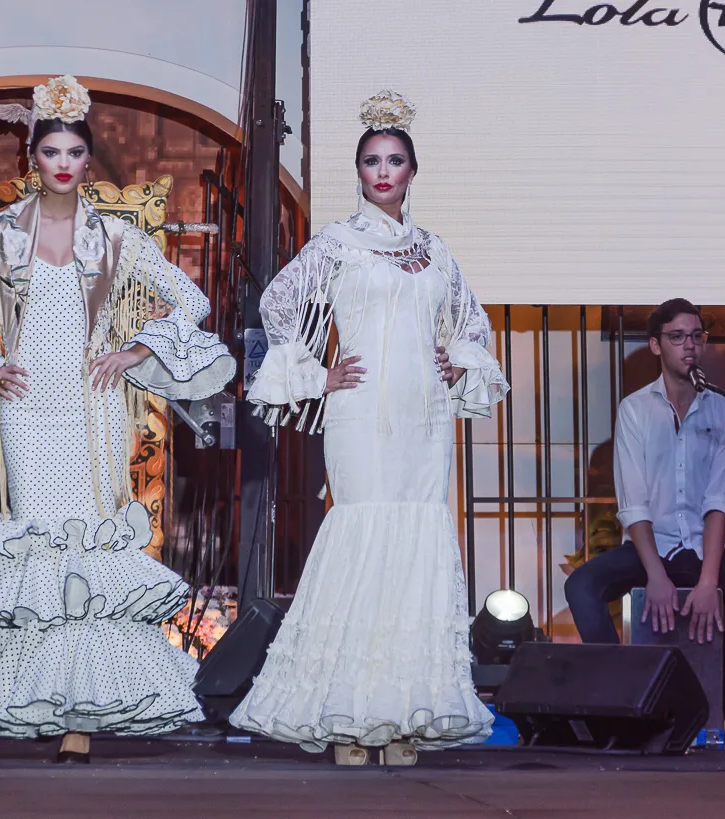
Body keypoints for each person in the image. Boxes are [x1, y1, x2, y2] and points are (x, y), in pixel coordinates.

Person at [0, 76, 236, 760]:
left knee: (89, 551)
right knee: (38, 548)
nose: (65, 162)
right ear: (33, 157)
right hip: (25, 409)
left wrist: (133, 351)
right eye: (53, 150)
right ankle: (34, 700)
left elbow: (188, 299)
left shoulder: (115, 238)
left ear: (86, 157)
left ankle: (85, 707)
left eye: (76, 150)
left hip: (93, 408)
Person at [229, 91, 509, 766]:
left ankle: (403, 716)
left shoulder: (435, 253)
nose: (383, 172)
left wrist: (456, 359)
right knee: (361, 537)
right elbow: (278, 301)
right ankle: (347, 717)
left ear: (412, 171)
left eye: (394, 161)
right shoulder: (336, 243)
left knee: (415, 546)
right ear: (359, 173)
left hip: (423, 419)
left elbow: (473, 325)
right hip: (358, 417)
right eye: (371, 162)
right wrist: (313, 374)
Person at [565, 298, 725, 646]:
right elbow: (634, 505)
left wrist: (707, 584)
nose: (689, 345)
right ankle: (619, 685)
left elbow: (718, 502)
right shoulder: (635, 410)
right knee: (581, 585)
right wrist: (656, 576)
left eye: (696, 336)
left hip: (709, 550)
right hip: (652, 548)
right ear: (656, 345)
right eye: (677, 336)